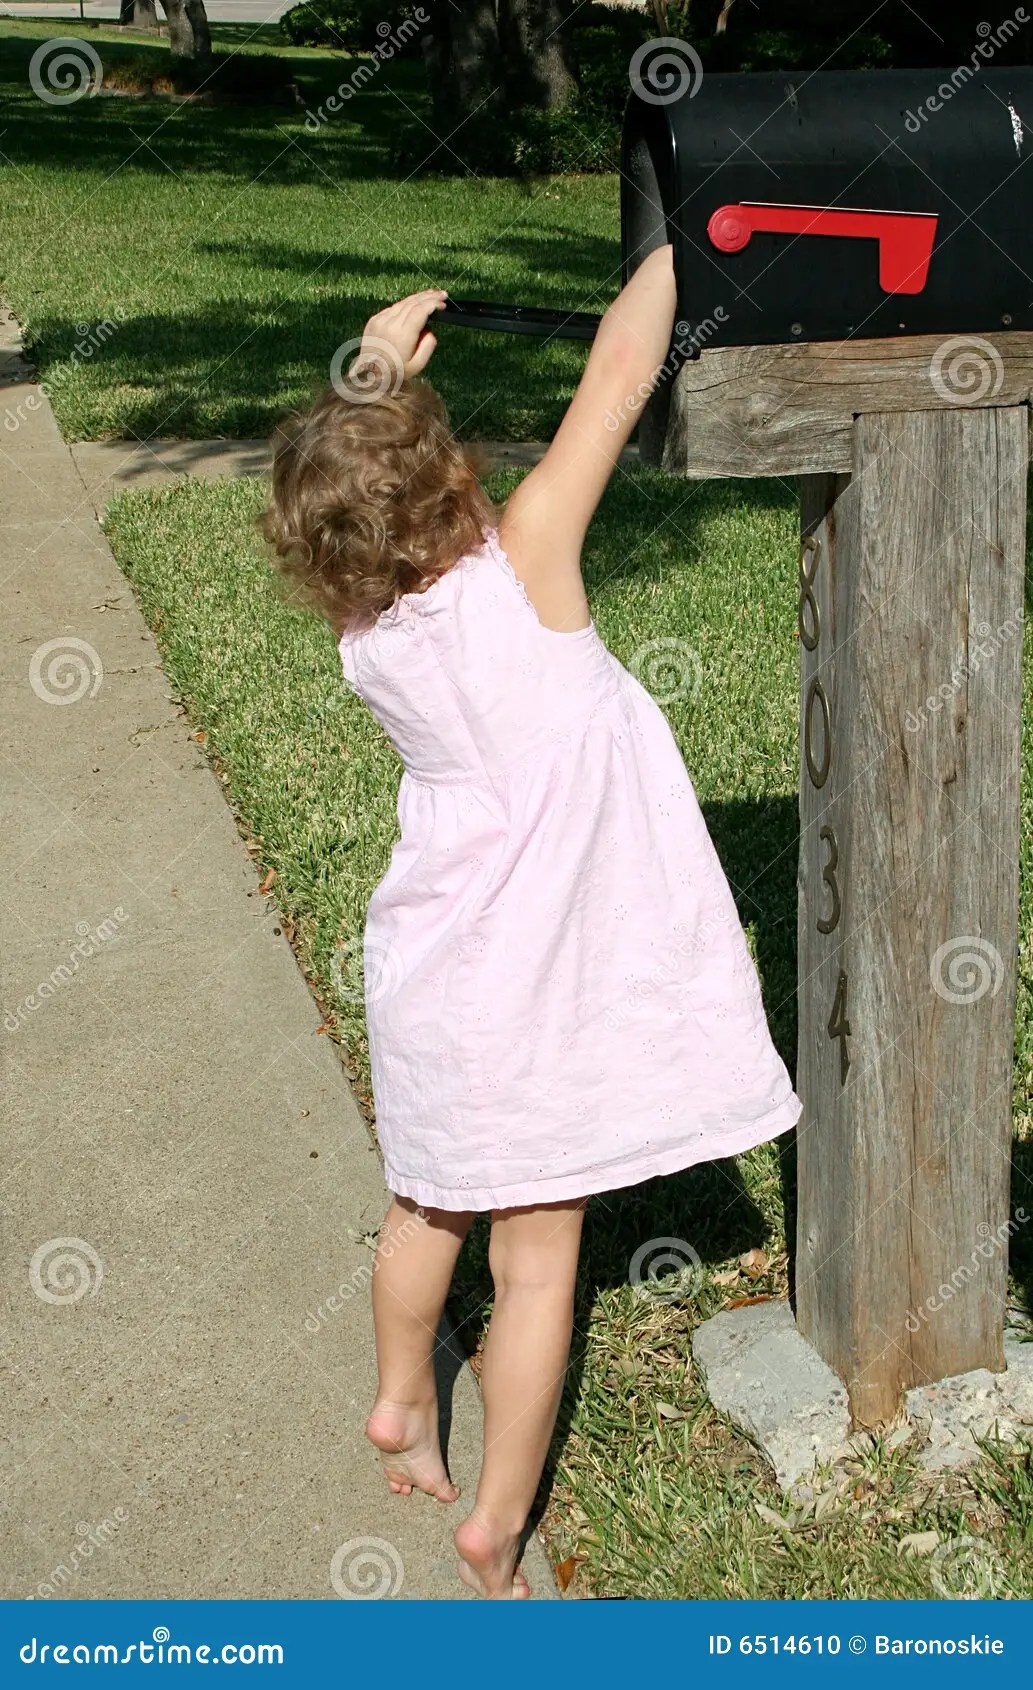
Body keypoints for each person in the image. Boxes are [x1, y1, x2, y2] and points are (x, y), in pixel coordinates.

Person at [262, 249, 802, 1598]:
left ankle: (398, 1397)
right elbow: (619, 376)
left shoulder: (368, 630)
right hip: (529, 985)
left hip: (433, 965)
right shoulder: (529, 565)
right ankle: (496, 1522)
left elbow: (360, 487)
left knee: (424, 1205)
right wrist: (683, 228)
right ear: (458, 482)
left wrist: (377, 363)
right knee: (538, 1259)